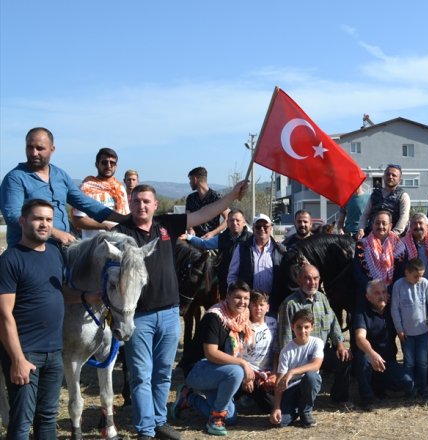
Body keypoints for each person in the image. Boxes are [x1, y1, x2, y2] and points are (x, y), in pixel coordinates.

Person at [114, 180, 247, 440]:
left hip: (170, 314)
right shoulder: (121, 232)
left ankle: (160, 422)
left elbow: (204, 214)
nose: (141, 205)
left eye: (146, 201)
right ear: (130, 204)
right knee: (141, 375)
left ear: (154, 205)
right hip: (138, 316)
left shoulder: (167, 224)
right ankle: (145, 430)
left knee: (163, 373)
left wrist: (232, 196)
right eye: (136, 201)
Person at [0, 199, 101, 439]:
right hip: (26, 353)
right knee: (22, 422)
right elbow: (4, 314)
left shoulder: (55, 253)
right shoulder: (10, 260)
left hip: (54, 352)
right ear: (23, 221)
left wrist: (88, 296)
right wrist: (17, 359)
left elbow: (60, 291)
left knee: (47, 418)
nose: (44, 224)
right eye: (37, 219)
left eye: (48, 220)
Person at [1, 127, 128, 246]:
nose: (34, 153)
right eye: (30, 147)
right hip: (28, 250)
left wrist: (124, 219)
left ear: (52, 149)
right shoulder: (15, 178)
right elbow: (13, 216)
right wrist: (54, 232)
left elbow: (85, 203)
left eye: (40, 148)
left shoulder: (60, 175)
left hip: (60, 247)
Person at [174, 281, 255, 436]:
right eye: (238, 297)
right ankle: (215, 419)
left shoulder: (242, 317)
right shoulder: (214, 317)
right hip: (197, 369)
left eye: (246, 298)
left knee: (230, 418)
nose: (242, 302)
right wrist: (243, 364)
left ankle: (188, 397)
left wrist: (248, 370)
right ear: (227, 297)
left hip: (219, 371)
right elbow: (211, 353)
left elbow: (240, 349)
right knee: (236, 372)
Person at [276, 264, 351, 406]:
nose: (312, 282)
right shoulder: (290, 304)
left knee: (344, 359)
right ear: (299, 280)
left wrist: (340, 344)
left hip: (320, 352)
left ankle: (339, 399)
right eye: (307, 278)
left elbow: (333, 323)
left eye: (315, 278)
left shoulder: (322, 298)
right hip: (300, 355)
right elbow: (284, 338)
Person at [353, 280, 415, 410]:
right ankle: (367, 398)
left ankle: (378, 385)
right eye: (377, 293)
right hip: (369, 360)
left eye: (384, 292)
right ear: (368, 297)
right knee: (363, 359)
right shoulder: (361, 312)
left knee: (408, 384)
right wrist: (372, 354)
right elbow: (360, 338)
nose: (381, 296)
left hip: (388, 362)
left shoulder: (393, 311)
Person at [402, 213, 428, 387]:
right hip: (410, 296)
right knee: (412, 334)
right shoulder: (403, 246)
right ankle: (413, 373)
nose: (418, 228)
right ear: (410, 227)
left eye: (421, 225)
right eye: (415, 225)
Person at [391, 259, 428, 399]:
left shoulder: (424, 284)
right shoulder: (398, 285)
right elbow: (394, 308)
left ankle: (422, 387)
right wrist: (399, 329)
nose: (418, 279)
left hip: (422, 330)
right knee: (409, 361)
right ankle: (409, 388)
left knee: (422, 361)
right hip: (407, 333)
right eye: (415, 276)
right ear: (407, 272)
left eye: (421, 275)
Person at [270, 310, 324, 428]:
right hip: (291, 388)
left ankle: (305, 411)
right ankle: (295, 409)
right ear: (292, 327)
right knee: (280, 423)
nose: (302, 331)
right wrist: (276, 407)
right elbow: (279, 382)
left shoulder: (317, 343)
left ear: (312, 328)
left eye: (306, 327)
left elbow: (316, 365)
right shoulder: (286, 351)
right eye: (299, 327)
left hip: (307, 383)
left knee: (311, 377)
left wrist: (292, 371)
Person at [227, 214, 287, 316]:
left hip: (272, 304)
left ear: (271, 227)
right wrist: (236, 296)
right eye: (258, 227)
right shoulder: (242, 248)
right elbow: (232, 275)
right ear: (253, 228)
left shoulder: (280, 250)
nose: (262, 229)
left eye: (265, 226)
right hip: (247, 304)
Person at [187, 208, 252, 295]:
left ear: (244, 222)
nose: (234, 223)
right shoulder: (222, 238)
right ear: (227, 223)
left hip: (246, 282)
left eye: (238, 220)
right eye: (231, 220)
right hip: (225, 281)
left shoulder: (251, 239)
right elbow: (204, 244)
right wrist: (188, 237)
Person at [71, 147, 130, 239]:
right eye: (104, 162)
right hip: (94, 246)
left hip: (119, 244)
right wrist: (105, 226)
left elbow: (126, 218)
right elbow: (78, 221)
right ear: (97, 164)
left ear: (116, 166)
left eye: (112, 163)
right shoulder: (86, 188)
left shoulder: (120, 189)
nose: (108, 166)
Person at [354, 210, 407, 306]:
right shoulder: (362, 245)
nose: (381, 226)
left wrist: (388, 292)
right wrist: (372, 290)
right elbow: (357, 271)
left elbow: (401, 273)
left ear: (390, 226)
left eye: (384, 223)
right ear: (372, 225)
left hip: (394, 296)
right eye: (377, 223)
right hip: (368, 297)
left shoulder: (400, 247)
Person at [240, 290, 277, 413]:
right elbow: (236, 353)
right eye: (254, 305)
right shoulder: (243, 326)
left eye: (261, 305)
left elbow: (277, 350)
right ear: (249, 306)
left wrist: (275, 373)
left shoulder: (273, 323)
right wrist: (246, 376)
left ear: (267, 307)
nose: (258, 308)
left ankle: (252, 396)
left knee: (275, 405)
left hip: (267, 372)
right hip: (248, 371)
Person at [357, 164, 410, 238]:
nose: (390, 177)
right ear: (384, 176)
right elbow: (365, 214)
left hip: (395, 238)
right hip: (372, 236)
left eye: (394, 175)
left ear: (399, 180)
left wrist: (394, 234)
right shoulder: (374, 194)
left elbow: (404, 217)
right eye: (388, 174)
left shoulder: (403, 196)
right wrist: (361, 228)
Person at [186, 167, 228, 239]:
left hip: (212, 242)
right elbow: (187, 218)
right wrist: (190, 229)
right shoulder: (191, 198)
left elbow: (227, 218)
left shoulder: (216, 197)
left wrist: (213, 233)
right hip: (194, 241)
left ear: (195, 179)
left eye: (190, 179)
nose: (189, 182)